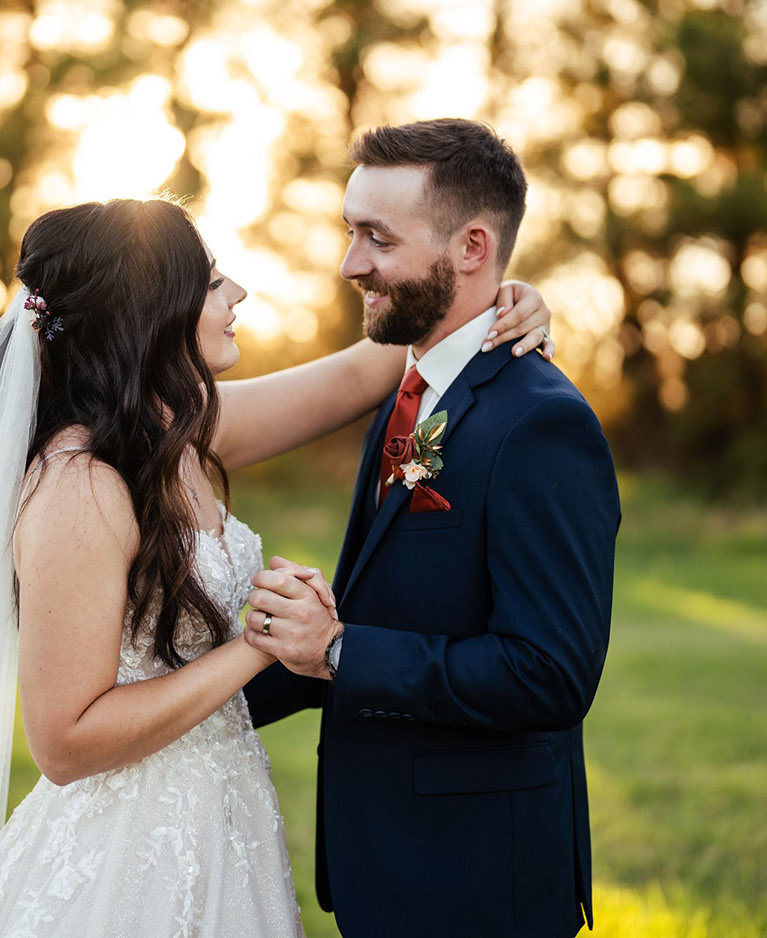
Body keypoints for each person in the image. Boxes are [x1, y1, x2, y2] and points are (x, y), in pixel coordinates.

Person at [0, 195, 557, 938]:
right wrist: (259, 643)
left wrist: (500, 304)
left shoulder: (174, 431)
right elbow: (65, 741)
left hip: (222, 817)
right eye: (212, 282)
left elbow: (353, 379)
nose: (237, 294)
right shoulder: (80, 485)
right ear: (152, 307)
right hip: (128, 851)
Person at [242, 119, 621, 938]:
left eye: (377, 238)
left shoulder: (540, 427)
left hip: (479, 882)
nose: (351, 265)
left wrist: (337, 651)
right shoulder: (407, 391)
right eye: (351, 233)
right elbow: (403, 608)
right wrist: (191, 697)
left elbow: (550, 674)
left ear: (473, 246)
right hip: (393, 867)